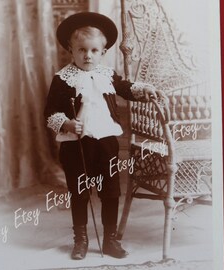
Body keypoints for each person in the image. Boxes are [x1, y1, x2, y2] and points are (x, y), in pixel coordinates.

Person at [44, 12, 159, 260]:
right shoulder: (63, 79)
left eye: (94, 50)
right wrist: (65, 123)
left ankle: (109, 240)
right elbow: (50, 111)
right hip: (77, 145)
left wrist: (143, 90)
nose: (88, 55)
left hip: (106, 142)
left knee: (110, 191)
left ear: (103, 51)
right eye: (82, 50)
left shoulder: (107, 75)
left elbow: (125, 88)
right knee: (80, 191)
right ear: (70, 50)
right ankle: (81, 240)